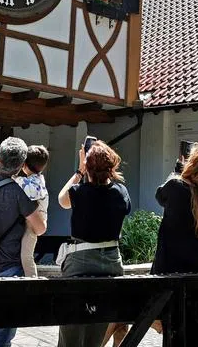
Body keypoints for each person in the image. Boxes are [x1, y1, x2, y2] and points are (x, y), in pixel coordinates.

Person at [56, 140, 131, 347]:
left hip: (80, 262)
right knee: (97, 331)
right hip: (111, 263)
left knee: (70, 332)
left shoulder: (79, 192)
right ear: (112, 167)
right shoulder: (121, 192)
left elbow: (62, 199)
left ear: (87, 166)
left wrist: (79, 172)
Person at [0, 137, 44, 347]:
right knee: (1, 335)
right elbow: (40, 228)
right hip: (9, 270)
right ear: (21, 165)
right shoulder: (20, 192)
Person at [151, 141, 198, 275]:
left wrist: (178, 171)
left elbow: (159, 196)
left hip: (171, 270)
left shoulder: (175, 186)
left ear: (191, 164)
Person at [16, 145, 50, 278]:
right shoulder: (37, 179)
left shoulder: (34, 182)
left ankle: (32, 279)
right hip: (32, 221)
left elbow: (31, 193)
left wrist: (15, 179)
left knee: (26, 256)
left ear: (24, 164)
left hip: (33, 223)